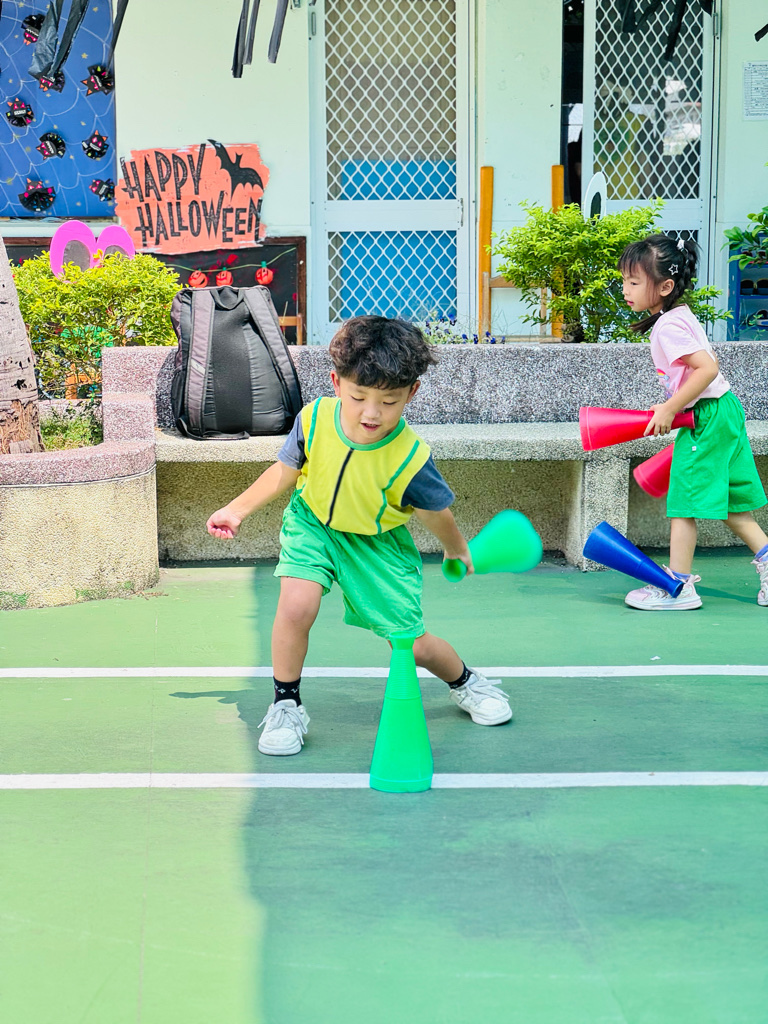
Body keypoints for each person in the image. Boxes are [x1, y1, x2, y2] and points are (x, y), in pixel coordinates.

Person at [206, 316, 512, 754]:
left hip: (376, 546)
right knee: (296, 606)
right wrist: (236, 510)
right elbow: (284, 472)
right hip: (313, 525)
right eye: (358, 397)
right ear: (336, 382)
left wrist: (456, 548)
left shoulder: (410, 457)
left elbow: (435, 513)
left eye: (388, 401)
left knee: (412, 643)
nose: (372, 413)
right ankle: (286, 705)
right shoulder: (313, 420)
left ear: (411, 393)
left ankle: (466, 682)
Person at [619, 233, 768, 610]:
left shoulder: (668, 327)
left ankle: (679, 588)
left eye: (633, 282)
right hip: (724, 409)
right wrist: (673, 405)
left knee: (684, 502)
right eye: (624, 281)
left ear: (664, 286)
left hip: (706, 417)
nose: (625, 289)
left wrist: (670, 408)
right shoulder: (678, 315)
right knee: (731, 502)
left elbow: (706, 369)